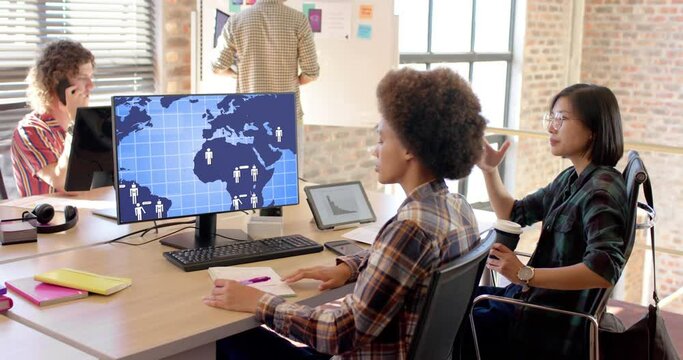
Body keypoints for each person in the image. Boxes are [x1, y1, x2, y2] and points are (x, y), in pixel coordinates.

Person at [202, 67, 487, 359]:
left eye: (381, 140)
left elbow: (338, 333)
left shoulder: (409, 229)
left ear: (410, 148)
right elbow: (406, 263)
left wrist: (261, 301)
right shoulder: (457, 208)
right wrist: (348, 268)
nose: (374, 151)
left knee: (226, 340)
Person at [471, 84, 628, 359]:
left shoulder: (600, 191)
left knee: (450, 317)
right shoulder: (571, 179)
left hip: (544, 322)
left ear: (593, 129)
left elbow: (603, 269)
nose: (551, 128)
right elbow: (515, 213)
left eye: (561, 119)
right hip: (529, 302)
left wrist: (525, 274)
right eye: (551, 118)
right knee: (456, 303)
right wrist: (489, 171)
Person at [212, 0, 320, 169]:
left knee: (250, 181)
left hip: (248, 116)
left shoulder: (236, 21)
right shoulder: (298, 20)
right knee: (289, 180)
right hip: (286, 115)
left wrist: (239, 76)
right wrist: (293, 80)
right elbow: (311, 72)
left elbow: (217, 66)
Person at [11, 39, 94, 197]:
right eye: (83, 78)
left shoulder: (90, 124)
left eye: (91, 77)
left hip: (92, 214)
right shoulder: (30, 131)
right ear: (58, 83)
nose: (91, 85)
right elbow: (68, 184)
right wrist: (76, 123)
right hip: (54, 220)